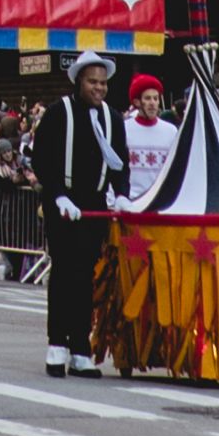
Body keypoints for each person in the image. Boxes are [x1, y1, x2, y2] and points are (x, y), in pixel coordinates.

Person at [30, 50, 128, 378]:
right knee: (63, 273)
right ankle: (57, 343)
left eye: (103, 83)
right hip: (65, 205)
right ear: (79, 82)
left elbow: (120, 162)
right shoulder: (60, 113)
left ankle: (81, 349)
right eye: (92, 82)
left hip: (96, 204)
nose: (98, 88)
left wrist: (123, 195)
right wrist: (57, 195)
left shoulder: (113, 118)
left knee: (86, 277)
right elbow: (42, 158)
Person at [122, 73, 178, 205]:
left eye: (155, 98)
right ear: (136, 102)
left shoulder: (171, 131)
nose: (153, 103)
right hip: (131, 202)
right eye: (147, 98)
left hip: (160, 203)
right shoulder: (123, 129)